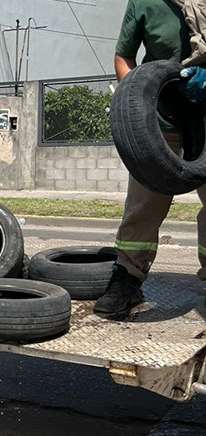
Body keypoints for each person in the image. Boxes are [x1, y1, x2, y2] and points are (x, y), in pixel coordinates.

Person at [95, 0, 206, 315]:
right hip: (160, 124)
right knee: (142, 206)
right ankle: (128, 276)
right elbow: (123, 56)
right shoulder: (145, 2)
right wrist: (135, 104)